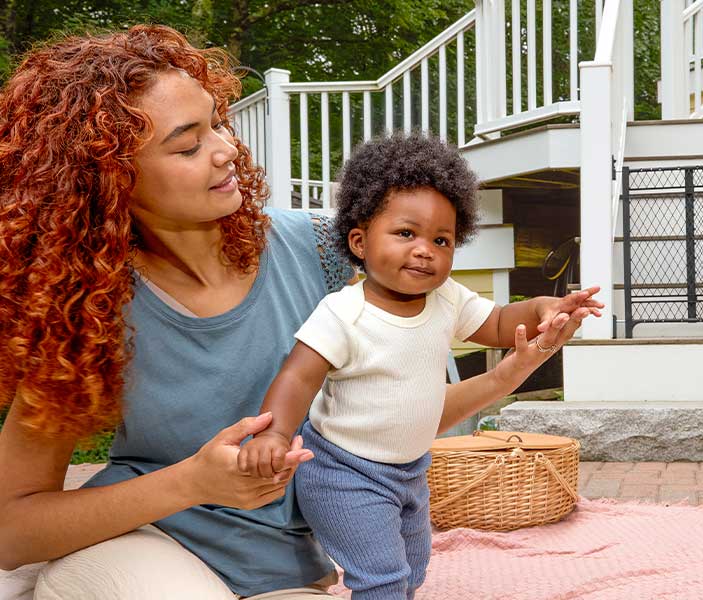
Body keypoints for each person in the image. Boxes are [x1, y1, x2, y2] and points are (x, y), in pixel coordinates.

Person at [0, 25, 593, 600]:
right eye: (188, 144)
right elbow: (12, 529)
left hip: (290, 570)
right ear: (105, 179)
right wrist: (193, 482)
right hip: (144, 544)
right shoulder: (81, 307)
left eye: (218, 125)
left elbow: (392, 419)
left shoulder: (324, 253)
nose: (227, 150)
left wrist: (505, 376)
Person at [236, 134, 602, 600]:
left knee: (412, 571)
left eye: (442, 239)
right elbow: (297, 376)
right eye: (406, 233)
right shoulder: (343, 313)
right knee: (382, 579)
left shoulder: (446, 299)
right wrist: (273, 434)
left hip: (409, 470)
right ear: (360, 241)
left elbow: (497, 324)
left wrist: (543, 307)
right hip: (344, 473)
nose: (425, 249)